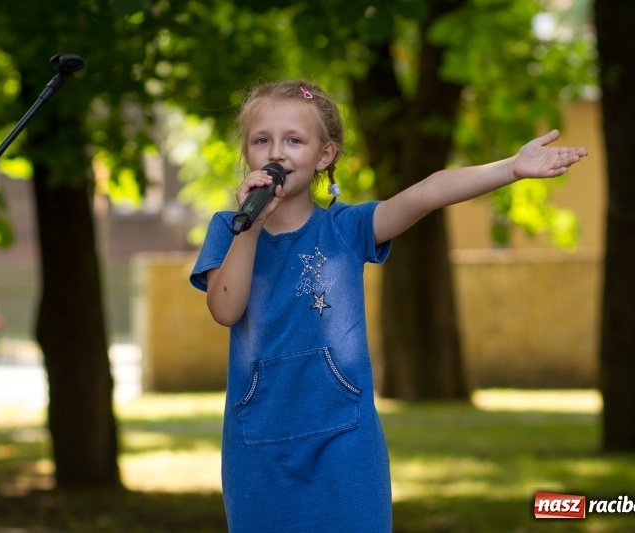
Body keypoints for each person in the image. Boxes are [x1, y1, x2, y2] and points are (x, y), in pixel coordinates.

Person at [189, 79, 587, 532]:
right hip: (257, 443)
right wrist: (251, 228)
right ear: (246, 153)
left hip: (344, 441)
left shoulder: (346, 228)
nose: (276, 153)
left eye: (293, 140)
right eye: (262, 140)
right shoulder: (231, 228)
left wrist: (511, 167)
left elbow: (427, 192)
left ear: (325, 155)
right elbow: (225, 310)